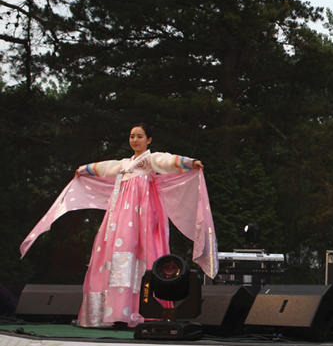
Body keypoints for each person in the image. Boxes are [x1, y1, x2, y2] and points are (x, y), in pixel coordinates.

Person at [21, 123, 218, 328]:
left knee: (142, 252)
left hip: (143, 213)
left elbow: (167, 160)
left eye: (139, 137)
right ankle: (114, 312)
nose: (135, 140)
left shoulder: (149, 160)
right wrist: (83, 170)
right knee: (116, 254)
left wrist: (190, 162)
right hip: (120, 217)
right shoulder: (124, 164)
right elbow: (104, 168)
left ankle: (144, 311)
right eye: (132, 136)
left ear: (149, 140)